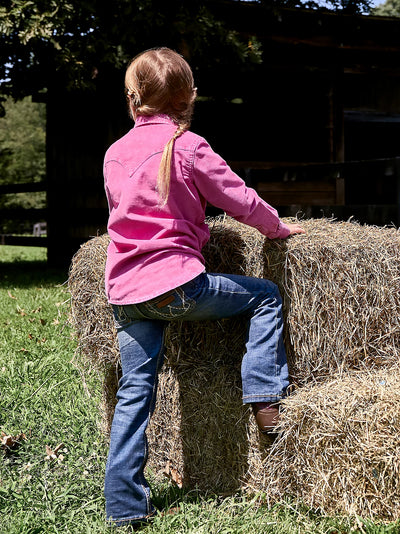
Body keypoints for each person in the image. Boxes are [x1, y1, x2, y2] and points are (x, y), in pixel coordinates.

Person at [103, 47, 305, 528]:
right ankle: (263, 397)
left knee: (135, 392)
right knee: (265, 296)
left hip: (126, 295)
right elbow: (239, 199)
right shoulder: (189, 146)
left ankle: (125, 506)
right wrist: (277, 230)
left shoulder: (114, 152)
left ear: (132, 99)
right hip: (178, 287)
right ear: (190, 97)